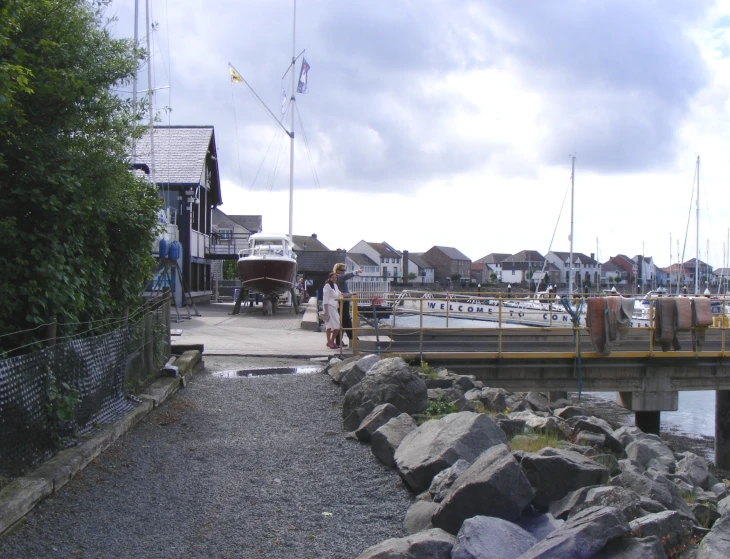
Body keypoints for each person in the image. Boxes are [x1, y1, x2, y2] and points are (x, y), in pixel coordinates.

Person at [334, 263, 363, 347]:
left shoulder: (338, 277)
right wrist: (356, 272)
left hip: (344, 301)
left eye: (344, 270)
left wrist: (350, 293)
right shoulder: (338, 277)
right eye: (342, 270)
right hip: (342, 302)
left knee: (343, 322)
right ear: (337, 270)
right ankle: (354, 340)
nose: (344, 271)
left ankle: (340, 341)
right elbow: (345, 276)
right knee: (346, 322)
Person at [322, 272, 343, 349]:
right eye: (333, 277)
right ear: (329, 278)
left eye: (335, 277)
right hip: (330, 306)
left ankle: (330, 341)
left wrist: (351, 294)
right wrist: (325, 310)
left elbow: (340, 294)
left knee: (335, 325)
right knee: (332, 325)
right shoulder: (327, 286)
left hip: (334, 306)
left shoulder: (335, 285)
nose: (334, 279)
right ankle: (330, 341)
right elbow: (325, 298)